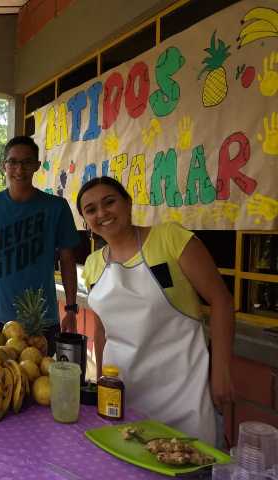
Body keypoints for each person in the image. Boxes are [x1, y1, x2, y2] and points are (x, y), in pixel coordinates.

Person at [77, 176, 233, 445]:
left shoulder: (170, 238)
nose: (101, 213)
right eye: (90, 210)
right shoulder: (92, 265)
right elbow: (103, 330)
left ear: (127, 203)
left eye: (109, 202)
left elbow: (221, 301)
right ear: (86, 221)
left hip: (184, 393)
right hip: (125, 397)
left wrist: (221, 370)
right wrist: (103, 381)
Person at [0, 136, 80, 355]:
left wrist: (71, 308)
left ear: (37, 166)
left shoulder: (56, 208)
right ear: (3, 165)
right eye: (13, 162)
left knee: (39, 382)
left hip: (40, 318)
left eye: (26, 162)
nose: (19, 169)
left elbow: (67, 258)